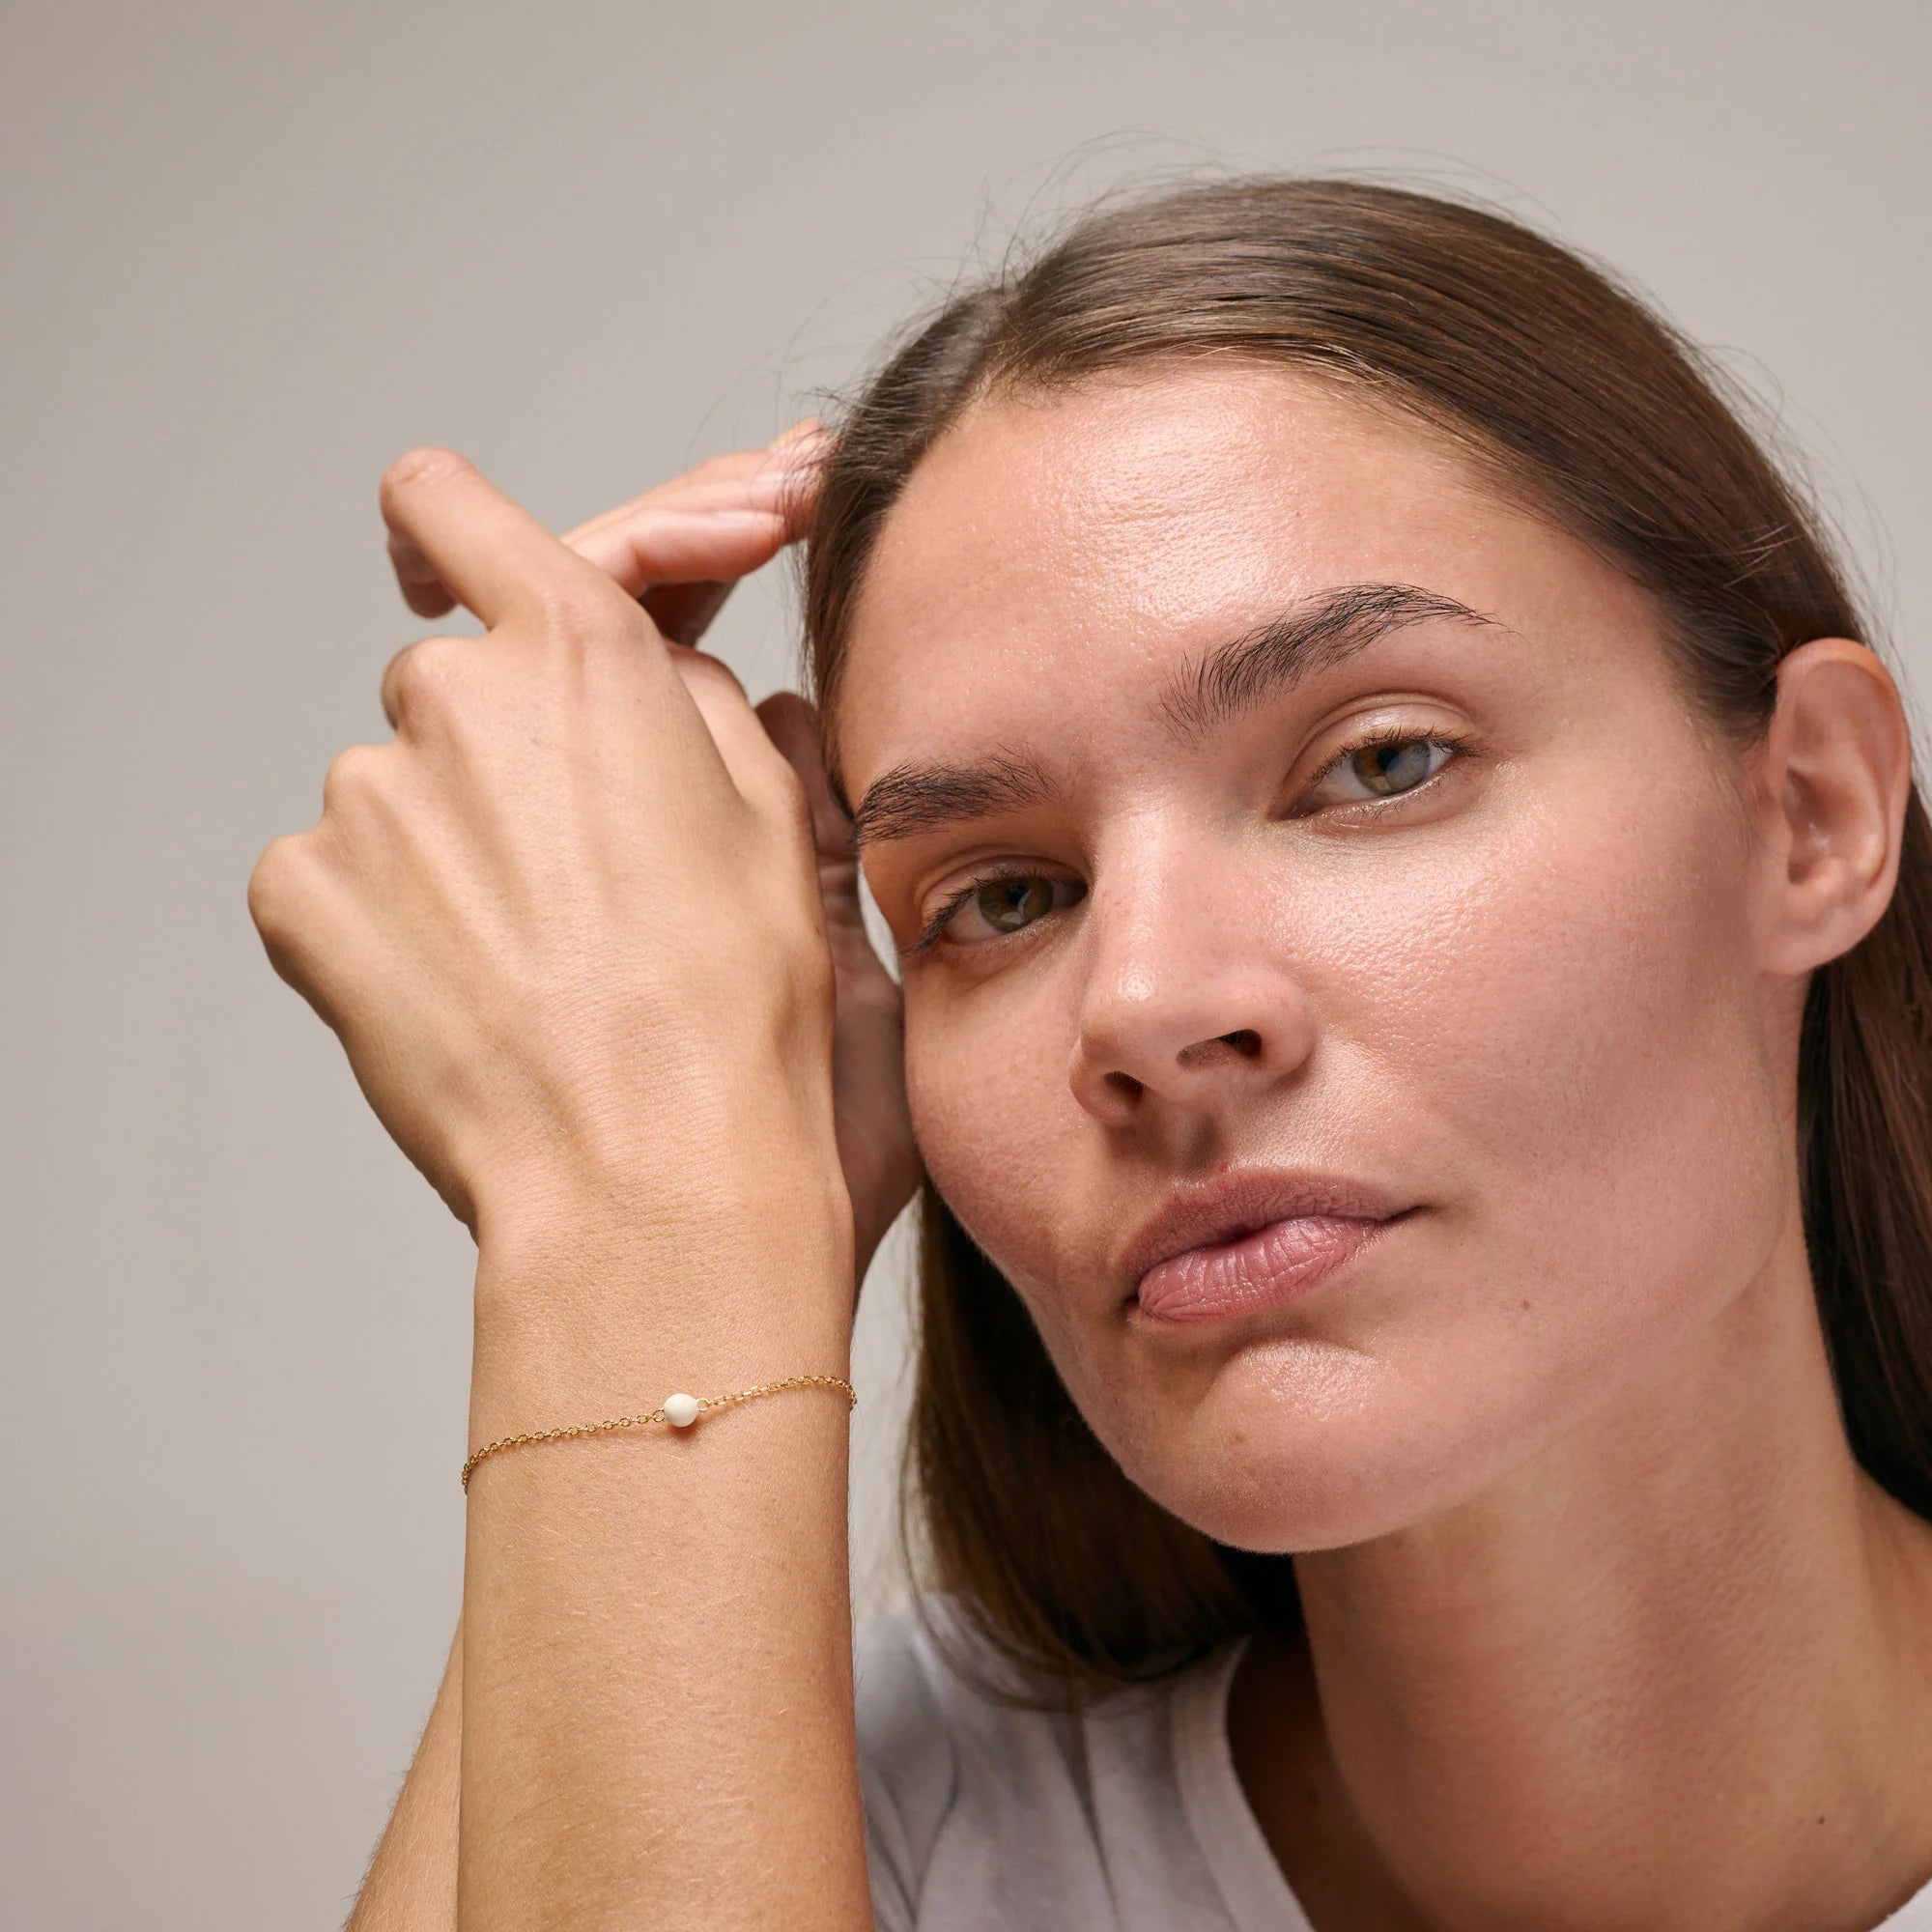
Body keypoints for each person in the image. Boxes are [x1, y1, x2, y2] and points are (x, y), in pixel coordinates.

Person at [247, 176, 1932, 1930]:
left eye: (1378, 764)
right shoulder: (856, 1829)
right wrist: (646, 1168)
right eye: (1009, 895)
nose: (1139, 1004)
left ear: (1809, 813)